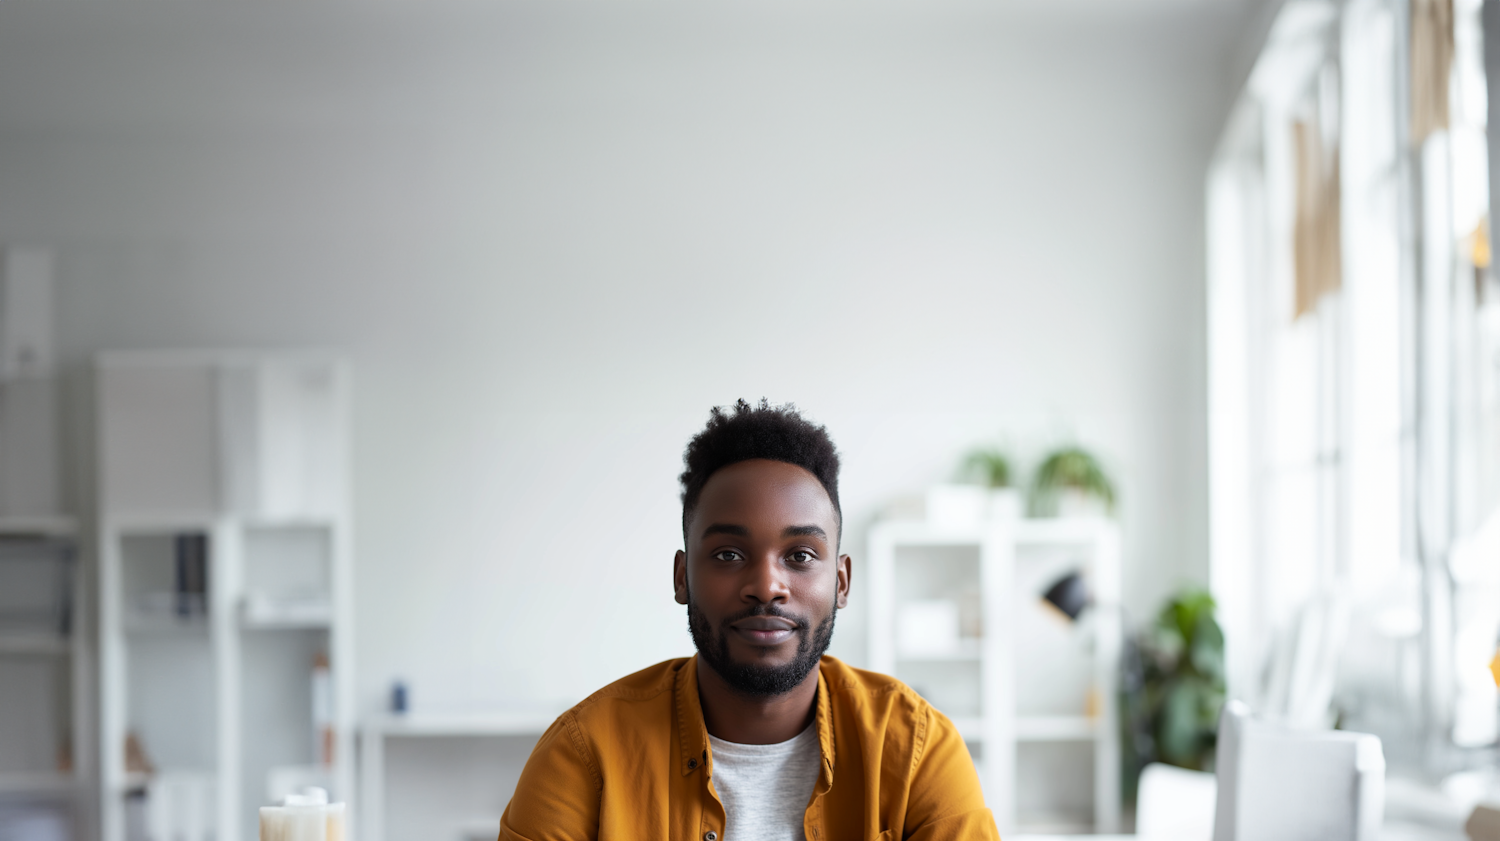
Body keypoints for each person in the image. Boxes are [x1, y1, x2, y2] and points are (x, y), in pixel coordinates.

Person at [499, 399, 999, 841]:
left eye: (801, 555)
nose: (766, 585)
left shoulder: (916, 747)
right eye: (728, 554)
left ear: (842, 583)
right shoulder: (585, 754)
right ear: (682, 578)